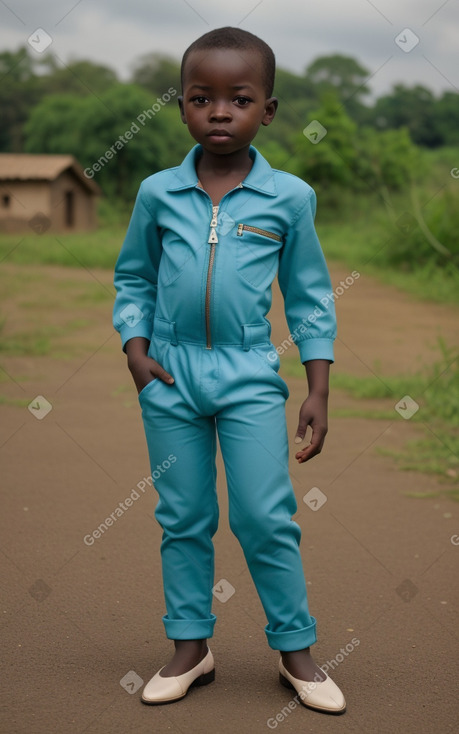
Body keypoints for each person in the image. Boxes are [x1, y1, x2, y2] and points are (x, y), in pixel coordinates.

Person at [112, 26, 346, 715]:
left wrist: (317, 387)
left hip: (248, 377)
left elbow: (308, 297)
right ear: (182, 107)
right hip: (170, 378)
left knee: (264, 516)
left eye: (238, 98)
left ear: (266, 111)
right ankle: (190, 646)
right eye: (200, 97)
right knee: (182, 516)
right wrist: (135, 346)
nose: (219, 111)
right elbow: (133, 278)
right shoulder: (158, 193)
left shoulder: (289, 198)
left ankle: (295, 649)